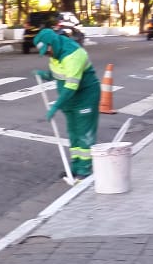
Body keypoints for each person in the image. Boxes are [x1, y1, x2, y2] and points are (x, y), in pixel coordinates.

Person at [32, 27, 101, 179]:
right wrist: (46, 75)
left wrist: (55, 106)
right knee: (74, 134)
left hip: (85, 97)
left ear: (52, 43)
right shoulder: (55, 53)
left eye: (47, 50)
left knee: (84, 133)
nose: (47, 54)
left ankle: (85, 168)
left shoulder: (73, 54)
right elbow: (60, 73)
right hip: (70, 101)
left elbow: (71, 86)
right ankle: (75, 167)